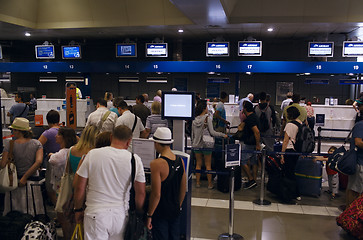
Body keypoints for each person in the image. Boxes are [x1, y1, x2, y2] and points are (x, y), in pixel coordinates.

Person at [74, 125, 146, 240]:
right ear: (129, 142)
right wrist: (139, 213)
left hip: (95, 215)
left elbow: (79, 187)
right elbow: (141, 193)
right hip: (121, 216)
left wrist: (78, 209)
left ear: (111, 137)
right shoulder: (134, 159)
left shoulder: (92, 155)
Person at [147, 127, 186, 240]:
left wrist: (149, 214)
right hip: (174, 210)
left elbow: (156, 194)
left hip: (161, 212)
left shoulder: (156, 164)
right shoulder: (180, 161)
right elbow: (183, 189)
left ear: (158, 144)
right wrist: (177, 206)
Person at [0, 118, 43, 216]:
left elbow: (3, 164)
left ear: (18, 131)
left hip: (14, 183)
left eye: (14, 130)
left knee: (14, 213)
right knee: (33, 211)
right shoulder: (37, 144)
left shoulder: (9, 145)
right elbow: (39, 161)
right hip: (32, 184)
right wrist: (25, 177)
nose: (12, 132)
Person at [48, 127, 77, 240]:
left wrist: (51, 154)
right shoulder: (73, 150)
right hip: (68, 187)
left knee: (63, 216)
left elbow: (53, 160)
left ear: (64, 137)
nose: (56, 136)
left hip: (63, 187)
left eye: (58, 134)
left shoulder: (62, 153)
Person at [192, 100, 227, 189]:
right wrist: (223, 135)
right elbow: (212, 132)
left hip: (196, 144)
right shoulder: (208, 118)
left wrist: (194, 142)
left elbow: (193, 135)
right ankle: (210, 184)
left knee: (198, 163)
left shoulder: (194, 119)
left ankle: (198, 183)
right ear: (204, 108)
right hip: (207, 145)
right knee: (208, 164)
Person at [238, 101, 260, 189]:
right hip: (254, 143)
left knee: (242, 161)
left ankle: (251, 179)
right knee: (254, 162)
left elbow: (256, 131)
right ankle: (254, 181)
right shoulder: (255, 117)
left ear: (245, 109)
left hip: (249, 143)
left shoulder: (249, 119)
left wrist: (258, 144)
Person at [281, 106, 301, 200]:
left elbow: (285, 141)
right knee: (292, 171)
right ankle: (295, 192)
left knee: (289, 173)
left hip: (289, 149)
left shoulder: (289, 125)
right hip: (297, 150)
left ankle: (293, 193)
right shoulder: (300, 123)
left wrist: (282, 155)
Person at [346, 99, 363, 207]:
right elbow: (358, 142)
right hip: (359, 163)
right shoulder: (360, 125)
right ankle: (350, 215)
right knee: (354, 189)